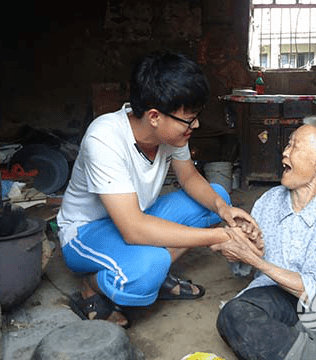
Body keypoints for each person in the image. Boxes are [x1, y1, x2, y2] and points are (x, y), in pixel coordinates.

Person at [57, 50, 261, 328]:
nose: (196, 125)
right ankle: (91, 286)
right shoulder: (104, 138)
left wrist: (223, 210)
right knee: (149, 265)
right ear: (154, 116)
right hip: (87, 232)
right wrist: (220, 237)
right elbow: (133, 229)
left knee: (218, 196)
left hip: (136, 215)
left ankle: (157, 269)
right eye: (189, 119)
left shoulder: (171, 134)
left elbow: (188, 177)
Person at [213, 116, 316, 360]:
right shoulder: (269, 200)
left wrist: (258, 262)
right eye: (287, 145)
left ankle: (296, 336)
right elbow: (244, 270)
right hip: (282, 295)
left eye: (294, 146)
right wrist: (246, 244)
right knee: (233, 314)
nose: (284, 152)